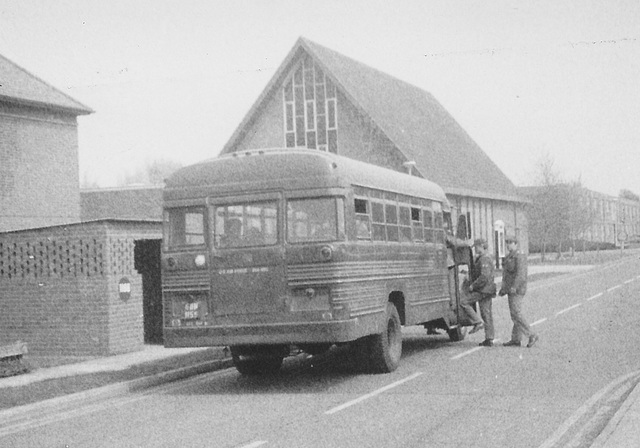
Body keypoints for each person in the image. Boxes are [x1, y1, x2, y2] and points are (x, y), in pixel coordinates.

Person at [500, 236, 539, 348]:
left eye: (511, 243)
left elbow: (521, 274)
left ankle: (532, 334)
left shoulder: (519, 256)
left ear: (516, 244)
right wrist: (504, 289)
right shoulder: (509, 257)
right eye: (507, 243)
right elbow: (507, 275)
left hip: (517, 289)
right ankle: (516, 339)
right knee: (514, 314)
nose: (508, 245)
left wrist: (514, 287)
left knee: (516, 313)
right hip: (510, 289)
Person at [464, 238, 497, 347]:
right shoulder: (482, 258)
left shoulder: (484, 259)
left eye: (477, 246)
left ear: (482, 246)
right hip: (487, 290)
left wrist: (473, 285)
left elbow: (484, 276)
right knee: (486, 313)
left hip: (483, 290)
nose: (476, 249)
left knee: (463, 302)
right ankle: (489, 338)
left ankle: (477, 322)